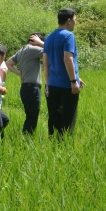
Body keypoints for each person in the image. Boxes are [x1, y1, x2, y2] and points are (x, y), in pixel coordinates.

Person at [43, 8, 83, 137]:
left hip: (52, 85)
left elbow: (45, 64)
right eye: (75, 19)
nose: (76, 22)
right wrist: (73, 81)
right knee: (67, 121)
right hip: (67, 86)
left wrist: (47, 85)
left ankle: (52, 144)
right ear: (69, 20)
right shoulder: (68, 36)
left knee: (54, 119)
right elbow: (68, 59)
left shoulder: (49, 37)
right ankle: (64, 145)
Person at [7, 33, 45, 135]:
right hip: (32, 88)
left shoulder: (22, 50)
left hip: (25, 87)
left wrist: (20, 73)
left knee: (30, 116)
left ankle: (26, 137)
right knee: (32, 118)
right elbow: (52, 50)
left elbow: (8, 63)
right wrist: (42, 44)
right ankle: (27, 139)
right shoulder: (33, 49)